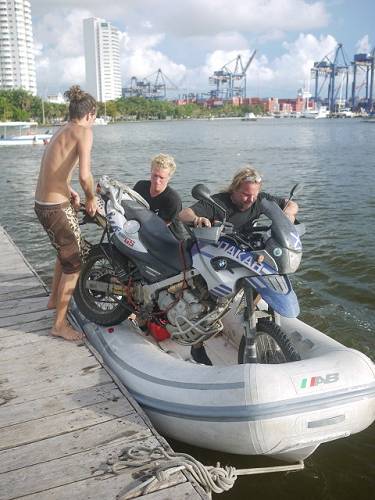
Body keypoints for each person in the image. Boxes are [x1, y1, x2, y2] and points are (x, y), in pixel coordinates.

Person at [178, 166, 298, 365]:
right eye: (245, 194)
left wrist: (288, 215)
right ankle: (197, 347)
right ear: (234, 189)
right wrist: (198, 218)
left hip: (243, 253)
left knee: (263, 275)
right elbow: (184, 214)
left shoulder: (260, 199)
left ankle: (247, 311)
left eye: (254, 194)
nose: (250, 199)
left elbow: (290, 204)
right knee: (206, 302)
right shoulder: (217, 202)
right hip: (211, 255)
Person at [34, 85, 97, 341]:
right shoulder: (83, 132)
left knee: (66, 250)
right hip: (55, 208)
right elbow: (85, 176)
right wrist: (91, 197)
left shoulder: (61, 129)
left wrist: (66, 187)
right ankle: (59, 324)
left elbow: (53, 168)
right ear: (90, 114)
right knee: (75, 263)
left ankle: (53, 299)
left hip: (43, 204)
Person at [133, 153, 185, 240]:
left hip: (170, 239)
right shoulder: (140, 186)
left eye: (161, 177)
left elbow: (159, 228)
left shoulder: (173, 200)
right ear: (151, 172)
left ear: (169, 177)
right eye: (155, 176)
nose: (157, 181)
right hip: (143, 230)